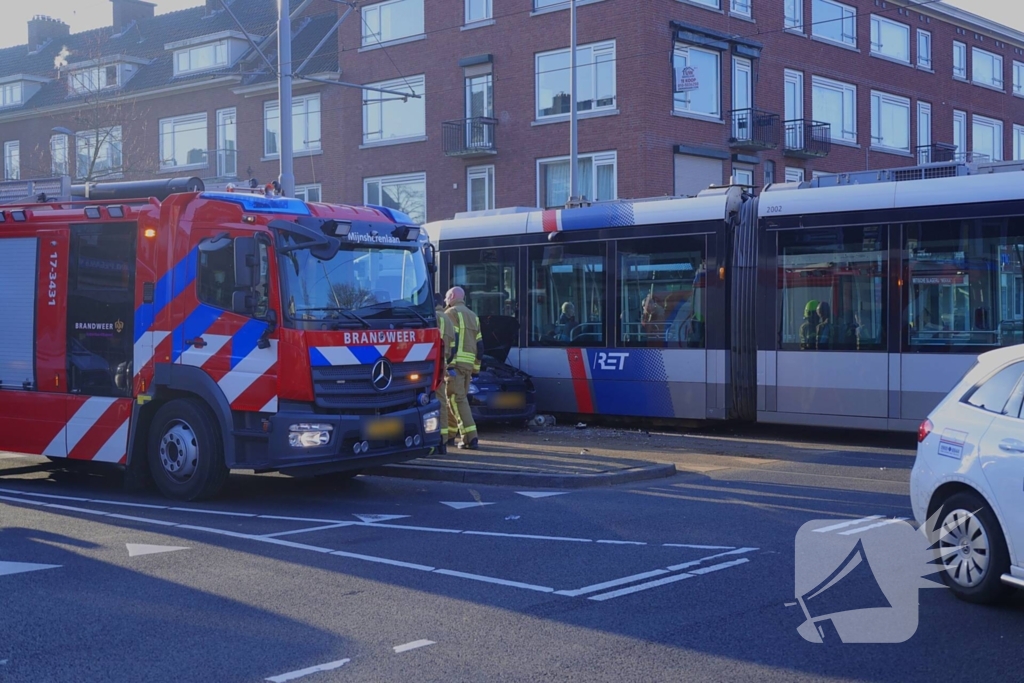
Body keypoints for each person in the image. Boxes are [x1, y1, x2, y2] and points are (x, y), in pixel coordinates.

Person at [445, 286, 484, 450]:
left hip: (454, 366)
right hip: (468, 367)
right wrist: (475, 369)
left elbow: (450, 342)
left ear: (453, 296)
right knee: (453, 400)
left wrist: (447, 364)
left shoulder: (451, 314)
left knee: (456, 399)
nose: (445, 301)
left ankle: (470, 437)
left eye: (447, 297)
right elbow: (480, 347)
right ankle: (448, 435)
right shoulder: (473, 316)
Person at [434, 292, 458, 455]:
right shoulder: (448, 320)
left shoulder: (432, 316)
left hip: (430, 362)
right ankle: (442, 439)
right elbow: (454, 346)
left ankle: (433, 438)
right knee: (441, 399)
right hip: (442, 362)